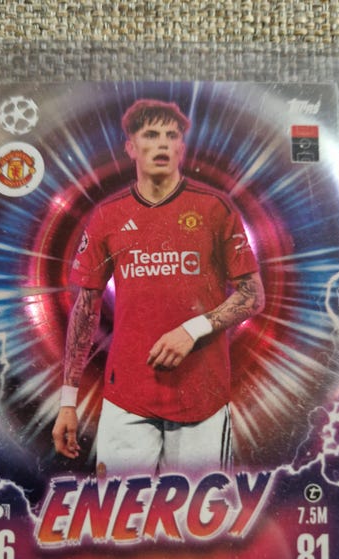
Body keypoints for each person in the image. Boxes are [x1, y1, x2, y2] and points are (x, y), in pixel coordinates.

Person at [52, 98, 265, 478]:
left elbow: (252, 296)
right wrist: (68, 401)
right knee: (119, 511)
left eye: (172, 135)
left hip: (201, 398)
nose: (163, 143)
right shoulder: (108, 215)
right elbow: (86, 310)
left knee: (196, 513)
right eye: (151, 135)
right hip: (127, 398)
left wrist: (192, 329)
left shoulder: (215, 208)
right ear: (131, 147)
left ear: (182, 147)